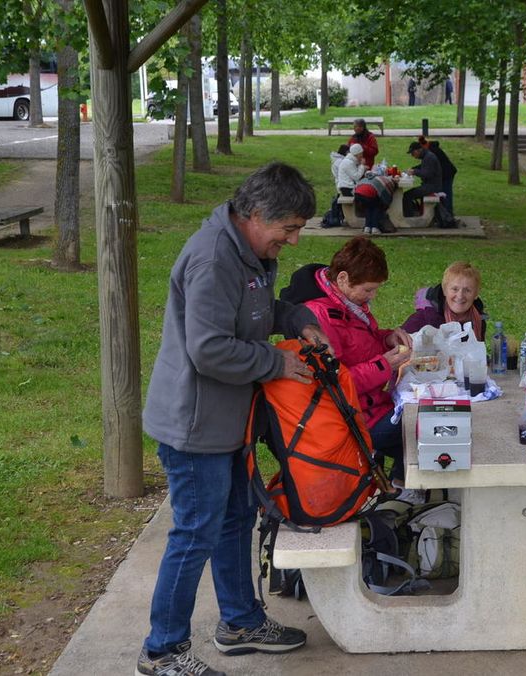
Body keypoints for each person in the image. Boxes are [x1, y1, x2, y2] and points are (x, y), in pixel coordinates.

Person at [138, 162, 328, 676]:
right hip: (196, 425)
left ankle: (241, 623)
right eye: (287, 230)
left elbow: (259, 310)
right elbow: (208, 349)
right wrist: (275, 361)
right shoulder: (214, 259)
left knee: (235, 521)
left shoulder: (248, 251)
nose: (290, 241)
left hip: (232, 422)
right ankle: (162, 653)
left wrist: (300, 320)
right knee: (195, 533)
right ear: (257, 214)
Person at [279, 238, 417, 497]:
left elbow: (360, 345)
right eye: (368, 290)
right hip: (350, 420)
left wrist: (386, 337)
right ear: (342, 278)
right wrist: (384, 365)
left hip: (370, 405)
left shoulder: (348, 304)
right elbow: (334, 382)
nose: (372, 296)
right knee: (418, 425)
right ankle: (404, 492)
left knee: (423, 418)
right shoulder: (319, 317)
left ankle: (403, 488)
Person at [402, 261, 487, 340]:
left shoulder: (478, 321)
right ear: (444, 291)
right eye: (455, 289)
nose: (460, 296)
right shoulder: (424, 318)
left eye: (467, 290)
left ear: (476, 294)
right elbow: (400, 341)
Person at [417, 135, 457, 214]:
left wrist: (415, 170)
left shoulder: (432, 152)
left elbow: (428, 167)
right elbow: (426, 165)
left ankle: (448, 215)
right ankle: (444, 214)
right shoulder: (430, 150)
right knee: (443, 194)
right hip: (443, 174)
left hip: (447, 174)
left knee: (446, 194)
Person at [402, 140, 442, 218]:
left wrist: (414, 172)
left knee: (407, 195)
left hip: (432, 187)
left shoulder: (429, 157)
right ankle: (412, 213)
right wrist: (413, 169)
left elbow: (427, 174)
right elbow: (422, 167)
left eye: (413, 153)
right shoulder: (426, 156)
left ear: (419, 150)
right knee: (408, 194)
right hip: (430, 185)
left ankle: (409, 217)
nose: (412, 155)